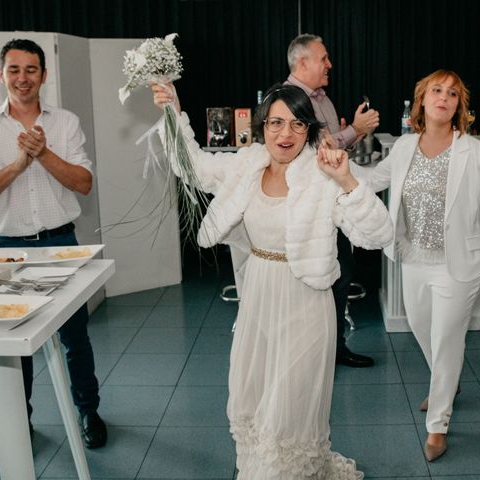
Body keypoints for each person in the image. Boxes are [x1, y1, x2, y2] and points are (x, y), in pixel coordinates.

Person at [151, 82, 392, 478]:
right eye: (277, 122)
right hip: (258, 298)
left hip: (306, 303)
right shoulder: (246, 164)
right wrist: (173, 112)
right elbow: (190, 165)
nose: (285, 134)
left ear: (310, 130)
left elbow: (379, 235)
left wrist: (348, 181)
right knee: (253, 398)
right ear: (262, 125)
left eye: (297, 124)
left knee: (289, 409)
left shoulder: (323, 173)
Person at [352, 69, 480, 461]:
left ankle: (438, 425)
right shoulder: (403, 147)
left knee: (447, 339)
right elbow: (371, 181)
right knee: (423, 331)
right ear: (421, 100)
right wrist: (338, 167)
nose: (444, 97)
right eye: (436, 90)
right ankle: (445, 383)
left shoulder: (475, 151)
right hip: (413, 258)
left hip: (460, 266)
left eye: (452, 94)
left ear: (458, 106)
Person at [0, 39, 106, 448]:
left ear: (44, 74)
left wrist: (43, 154)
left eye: (30, 69)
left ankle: (88, 412)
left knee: (74, 336)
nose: (22, 78)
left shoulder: (65, 122)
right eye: (14, 69)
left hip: (61, 243)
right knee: (14, 343)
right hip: (7, 247)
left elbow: (84, 183)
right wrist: (18, 164)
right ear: (1, 74)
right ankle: (18, 424)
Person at [285, 33, 380, 368]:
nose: (330, 64)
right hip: (305, 209)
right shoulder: (288, 99)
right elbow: (309, 152)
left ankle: (333, 348)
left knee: (340, 272)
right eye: (323, 58)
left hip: (330, 205)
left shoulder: (322, 98)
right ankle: (314, 353)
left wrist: (352, 134)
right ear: (303, 62)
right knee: (318, 279)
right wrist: (354, 128)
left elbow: (331, 149)